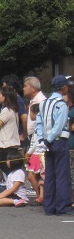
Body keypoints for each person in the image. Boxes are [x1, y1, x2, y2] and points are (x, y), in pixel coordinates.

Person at [35, 75, 73, 215]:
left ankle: (49, 206)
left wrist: (42, 140)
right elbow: (59, 126)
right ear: (63, 88)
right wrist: (48, 139)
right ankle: (62, 207)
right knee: (62, 175)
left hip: (46, 143)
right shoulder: (61, 104)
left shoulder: (43, 104)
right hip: (59, 141)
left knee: (50, 175)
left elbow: (38, 123)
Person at [0, 88, 21, 160]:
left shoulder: (6, 110)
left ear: (5, 96)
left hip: (6, 145)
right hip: (13, 144)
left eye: (0, 95)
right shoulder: (14, 110)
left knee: (5, 168)